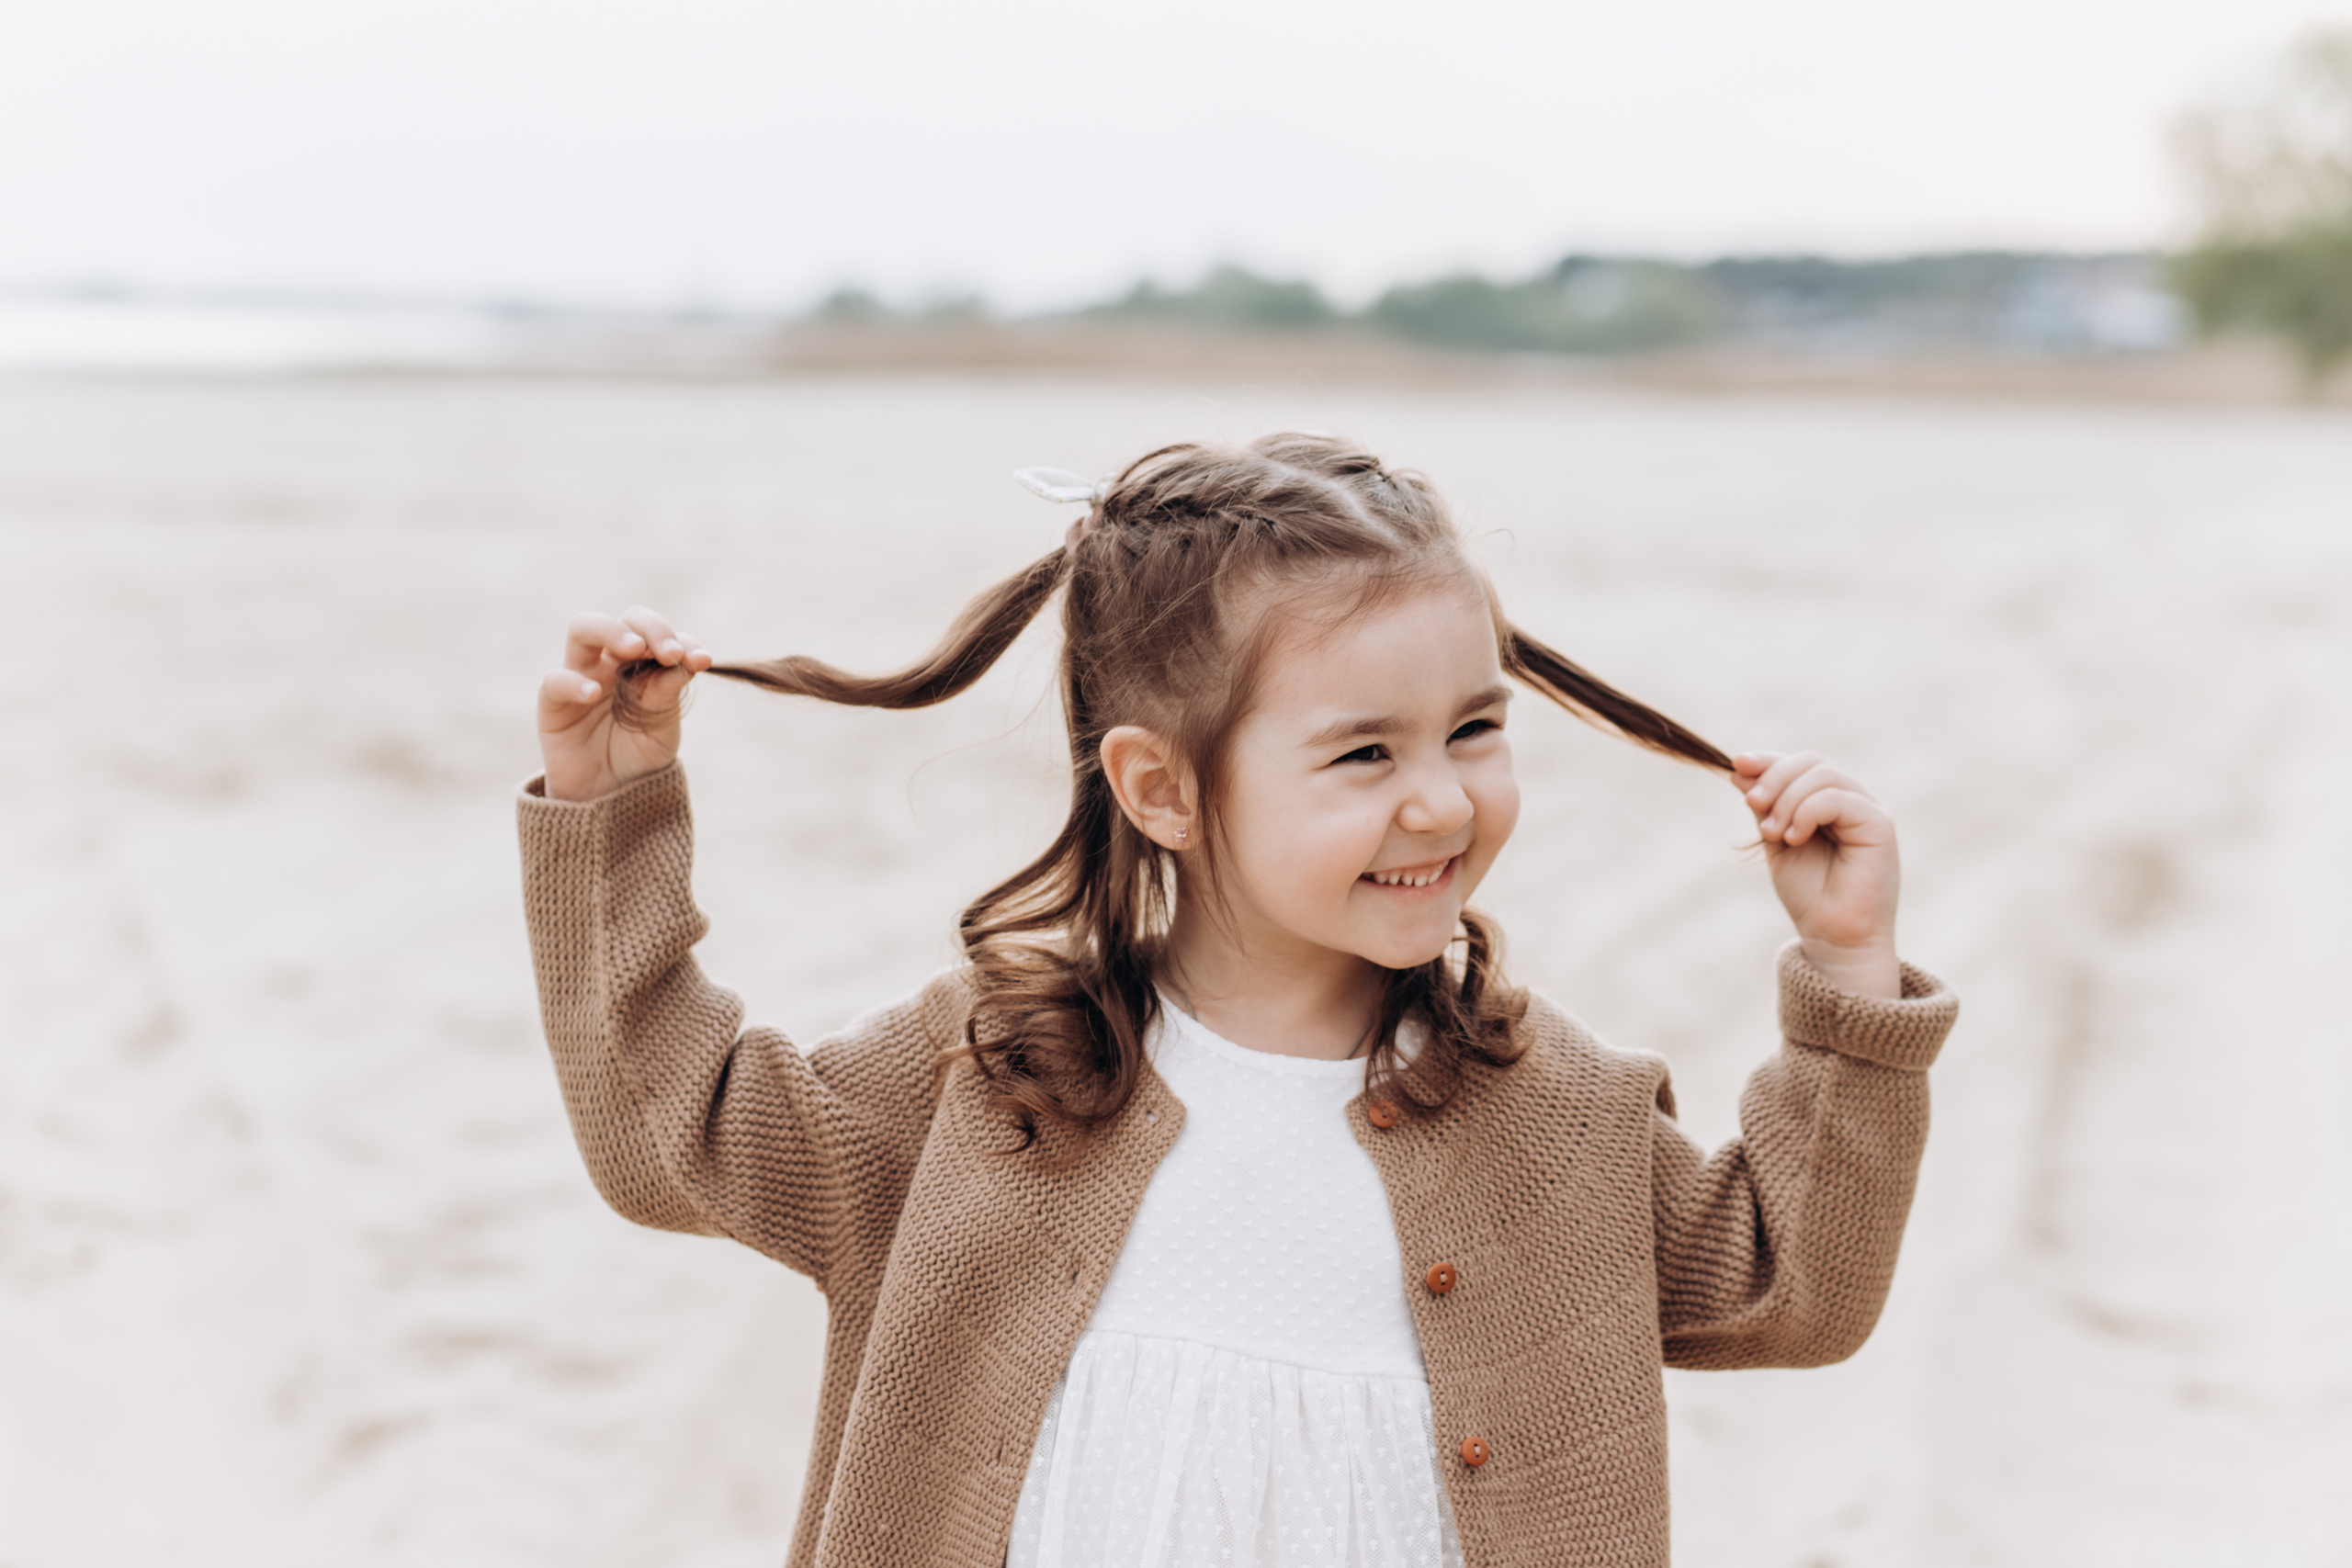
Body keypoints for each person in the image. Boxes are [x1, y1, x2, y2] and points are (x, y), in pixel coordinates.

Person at [516, 433, 1959, 1568]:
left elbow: (1793, 1289)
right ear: (1162, 788)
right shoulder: (991, 1075)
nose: (1442, 800)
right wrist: (613, 806)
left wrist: (1845, 974)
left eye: (1474, 729)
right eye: (1364, 756)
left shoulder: (1554, 1118)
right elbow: (673, 1130)